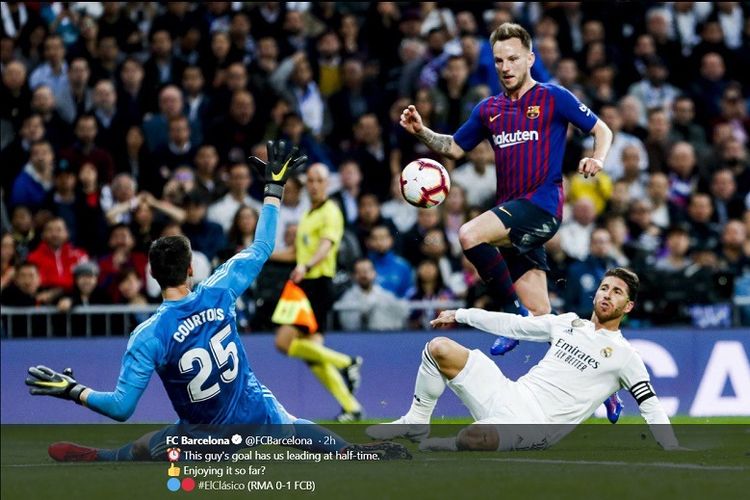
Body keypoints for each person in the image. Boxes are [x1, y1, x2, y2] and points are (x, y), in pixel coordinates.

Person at [25, 141, 409, 462]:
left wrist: (73, 390)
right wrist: (273, 188)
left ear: (154, 276)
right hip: (255, 416)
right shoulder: (218, 289)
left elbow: (122, 408)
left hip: (203, 443)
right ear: (191, 268)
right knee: (292, 426)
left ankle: (104, 457)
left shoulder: (148, 335)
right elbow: (262, 246)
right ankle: (355, 452)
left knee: (148, 445)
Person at [397, 21, 613, 358]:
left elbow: (602, 129)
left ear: (530, 58)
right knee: (544, 320)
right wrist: (422, 131)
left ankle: (513, 314)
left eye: (512, 59)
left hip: (541, 207)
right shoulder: (489, 109)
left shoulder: (553, 97)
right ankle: (596, 362)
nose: (505, 67)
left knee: (469, 235)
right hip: (512, 217)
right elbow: (454, 147)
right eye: (499, 61)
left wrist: (597, 159)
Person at [367, 268, 684, 453]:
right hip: (509, 392)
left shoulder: (626, 355)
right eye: (604, 287)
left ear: (627, 307)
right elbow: (512, 324)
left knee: (473, 437)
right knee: (439, 347)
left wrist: (670, 446)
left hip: (536, 425)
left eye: (616, 292)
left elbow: (650, 404)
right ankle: (417, 421)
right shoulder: (567, 323)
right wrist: (459, 314)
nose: (606, 294)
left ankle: (448, 443)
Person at [267, 163, 364, 422]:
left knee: (283, 342)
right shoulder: (309, 214)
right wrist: (264, 254)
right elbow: (297, 253)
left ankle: (347, 362)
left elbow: (326, 246)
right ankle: (351, 406)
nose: (314, 185)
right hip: (306, 282)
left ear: (327, 184)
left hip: (318, 283)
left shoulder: (331, 211)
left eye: (319, 180)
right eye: (310, 180)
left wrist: (305, 265)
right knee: (313, 355)